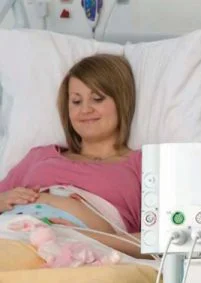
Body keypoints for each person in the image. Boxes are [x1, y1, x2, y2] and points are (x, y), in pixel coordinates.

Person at [0, 54, 143, 257]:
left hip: (78, 251)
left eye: (97, 98)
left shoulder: (143, 165)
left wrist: (85, 237)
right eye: (76, 101)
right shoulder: (40, 156)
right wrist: (2, 200)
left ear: (122, 101)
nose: (85, 109)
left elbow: (166, 240)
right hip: (11, 232)